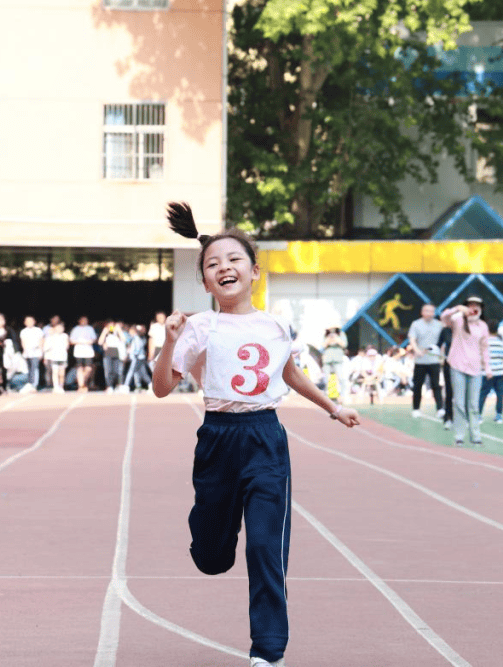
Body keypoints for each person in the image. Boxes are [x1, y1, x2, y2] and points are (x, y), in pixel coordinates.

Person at [156, 202, 360, 667]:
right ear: (205, 281)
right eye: (212, 264)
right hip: (218, 438)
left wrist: (333, 407)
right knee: (211, 558)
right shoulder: (199, 328)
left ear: (255, 271)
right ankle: (208, 536)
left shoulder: (275, 325)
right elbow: (163, 388)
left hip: (265, 437)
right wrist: (169, 339)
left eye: (233, 260)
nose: (224, 268)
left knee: (267, 545)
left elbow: (291, 375)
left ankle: (267, 652)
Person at [440, 296, 491, 445]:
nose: (474, 308)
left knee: (474, 404)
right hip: (457, 365)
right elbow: (443, 317)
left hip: (475, 368)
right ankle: (459, 435)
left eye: (477, 305)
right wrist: (457, 309)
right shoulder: (458, 320)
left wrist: (487, 367)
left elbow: (485, 348)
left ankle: (475, 435)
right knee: (459, 403)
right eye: (470, 305)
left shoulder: (482, 326)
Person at [407, 305, 444, 419]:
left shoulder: (439, 324)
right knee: (418, 385)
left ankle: (440, 409)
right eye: (427, 311)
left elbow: (442, 342)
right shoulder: (416, 324)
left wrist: (441, 356)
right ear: (422, 312)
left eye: (432, 311)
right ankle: (416, 408)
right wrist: (417, 351)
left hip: (434, 360)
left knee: (436, 386)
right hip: (420, 361)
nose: (429, 313)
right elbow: (412, 339)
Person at [478, 319, 503, 424]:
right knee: (500, 394)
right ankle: (499, 416)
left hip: (486, 373)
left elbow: (480, 357)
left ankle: (479, 416)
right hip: (499, 372)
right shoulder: (500, 342)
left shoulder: (484, 342)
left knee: (482, 394)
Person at [320, 327, 349, 402]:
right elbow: (323, 345)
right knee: (326, 379)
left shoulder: (341, 333)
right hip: (327, 359)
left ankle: (342, 396)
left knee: (341, 378)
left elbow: (344, 344)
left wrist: (336, 338)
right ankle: (326, 397)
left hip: (338, 358)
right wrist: (329, 339)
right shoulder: (326, 335)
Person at [70, 316, 97, 392]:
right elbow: (71, 340)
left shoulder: (90, 329)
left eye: (86, 320)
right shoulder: (76, 329)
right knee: (80, 369)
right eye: (83, 320)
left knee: (89, 369)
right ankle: (81, 386)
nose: (84, 321)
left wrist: (89, 341)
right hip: (79, 352)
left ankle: (81, 382)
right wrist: (80, 342)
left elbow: (94, 339)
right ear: (79, 321)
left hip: (88, 352)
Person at [99, 321, 127, 393]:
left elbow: (124, 340)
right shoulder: (106, 334)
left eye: (112, 326)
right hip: (108, 352)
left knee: (116, 371)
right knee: (108, 371)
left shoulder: (117, 334)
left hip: (116, 352)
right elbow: (100, 342)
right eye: (110, 326)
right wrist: (104, 332)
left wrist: (119, 330)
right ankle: (109, 386)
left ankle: (117, 385)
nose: (111, 328)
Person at [19, 316, 44, 393]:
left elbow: (41, 341)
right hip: (27, 353)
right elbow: (23, 342)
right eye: (27, 321)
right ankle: (29, 383)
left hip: (36, 352)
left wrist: (41, 351)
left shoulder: (38, 330)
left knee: (35, 368)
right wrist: (25, 351)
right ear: (25, 323)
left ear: (34, 322)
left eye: (31, 321)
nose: (29, 323)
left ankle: (34, 385)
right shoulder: (23, 331)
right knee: (29, 369)